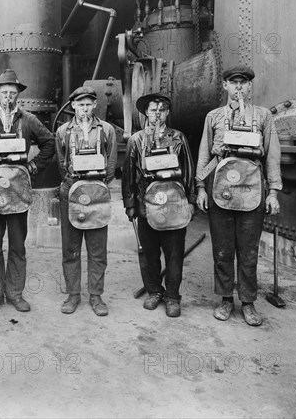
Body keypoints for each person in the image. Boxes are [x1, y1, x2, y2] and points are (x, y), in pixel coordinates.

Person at [196, 65, 281, 326]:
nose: (239, 87)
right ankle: (224, 299)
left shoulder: (264, 116)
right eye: (233, 83)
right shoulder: (213, 117)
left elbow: (273, 155)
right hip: (221, 191)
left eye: (243, 83)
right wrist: (200, 188)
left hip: (252, 192)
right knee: (222, 250)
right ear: (224, 86)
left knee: (248, 250)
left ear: (250, 86)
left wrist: (274, 192)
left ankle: (248, 302)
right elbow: (204, 153)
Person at [0, 69, 55, 315]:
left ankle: (15, 294)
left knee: (18, 245)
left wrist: (32, 167)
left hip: (18, 189)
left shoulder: (27, 119)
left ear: (18, 95)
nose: (8, 97)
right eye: (4, 92)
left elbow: (49, 143)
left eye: (13, 93)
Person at [121, 93, 195, 318]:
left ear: (168, 113)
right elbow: (129, 175)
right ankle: (154, 291)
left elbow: (189, 171)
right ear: (146, 113)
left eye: (162, 110)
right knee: (148, 253)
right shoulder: (136, 140)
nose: (157, 114)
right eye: (153, 110)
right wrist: (130, 204)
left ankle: (173, 296)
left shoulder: (179, 138)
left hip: (174, 203)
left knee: (174, 253)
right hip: (146, 204)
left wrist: (190, 201)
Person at [55, 86, 117, 316]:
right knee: (70, 247)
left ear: (95, 105)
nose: (84, 108)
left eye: (89, 104)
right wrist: (74, 185)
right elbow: (61, 164)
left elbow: (111, 165)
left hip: (97, 192)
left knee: (97, 248)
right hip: (70, 192)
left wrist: (96, 185)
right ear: (73, 106)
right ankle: (73, 294)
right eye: (80, 104)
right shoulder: (63, 131)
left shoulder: (106, 130)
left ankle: (96, 295)